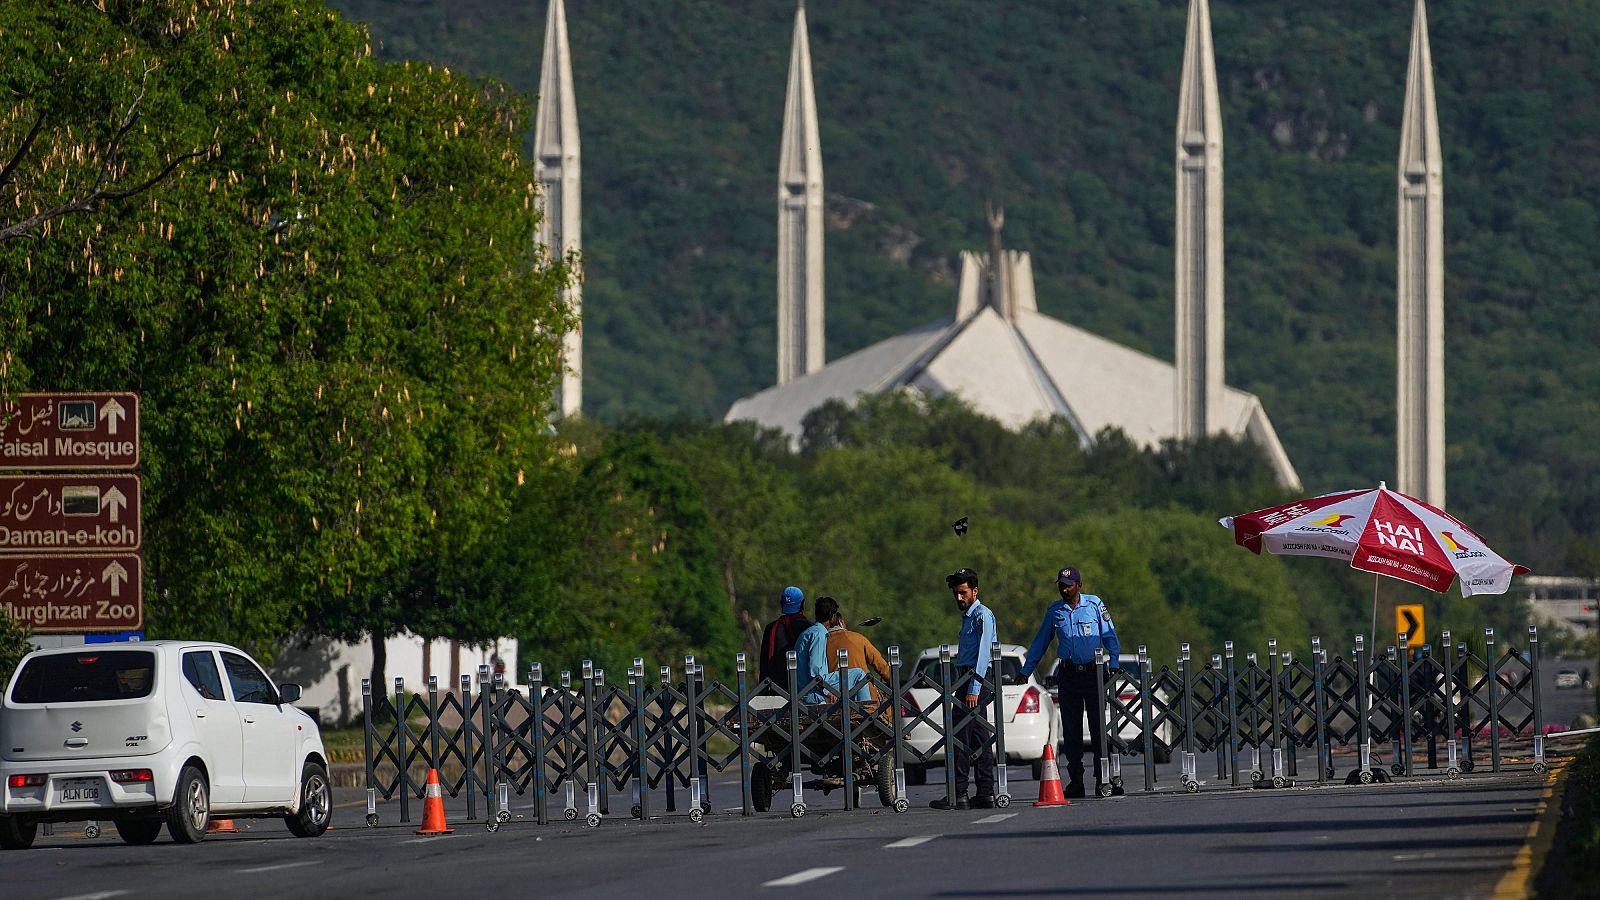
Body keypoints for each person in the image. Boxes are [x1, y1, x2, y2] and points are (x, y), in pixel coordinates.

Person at [1020, 566, 1121, 798]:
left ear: (1079, 585)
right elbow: (1040, 642)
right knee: (1072, 732)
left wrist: (1114, 659)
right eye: (1061, 586)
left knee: (1098, 729)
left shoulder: (1094, 605)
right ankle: (1076, 780)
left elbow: (1109, 635)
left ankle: (1102, 778)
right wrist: (1026, 670)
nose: (1064, 590)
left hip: (1093, 673)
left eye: (1069, 585)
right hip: (1068, 675)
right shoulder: (1055, 611)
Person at [931, 567, 998, 810]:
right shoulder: (970, 616)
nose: (959, 598)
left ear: (975, 591)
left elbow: (983, 654)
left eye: (963, 593)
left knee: (960, 737)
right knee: (980, 738)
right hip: (969, 679)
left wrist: (973, 688)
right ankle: (986, 792)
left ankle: (958, 794)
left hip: (975, 680)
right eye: (956, 594)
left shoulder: (982, 615)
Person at [822, 597, 891, 701]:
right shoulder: (858, 638)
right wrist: (893, 683)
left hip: (834, 700)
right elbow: (882, 666)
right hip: (864, 699)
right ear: (841, 622)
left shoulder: (821, 642)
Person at [759, 586, 811, 690]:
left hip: (775, 686)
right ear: (802, 604)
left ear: (781, 604)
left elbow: (764, 662)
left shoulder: (771, 628)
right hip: (804, 687)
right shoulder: (810, 628)